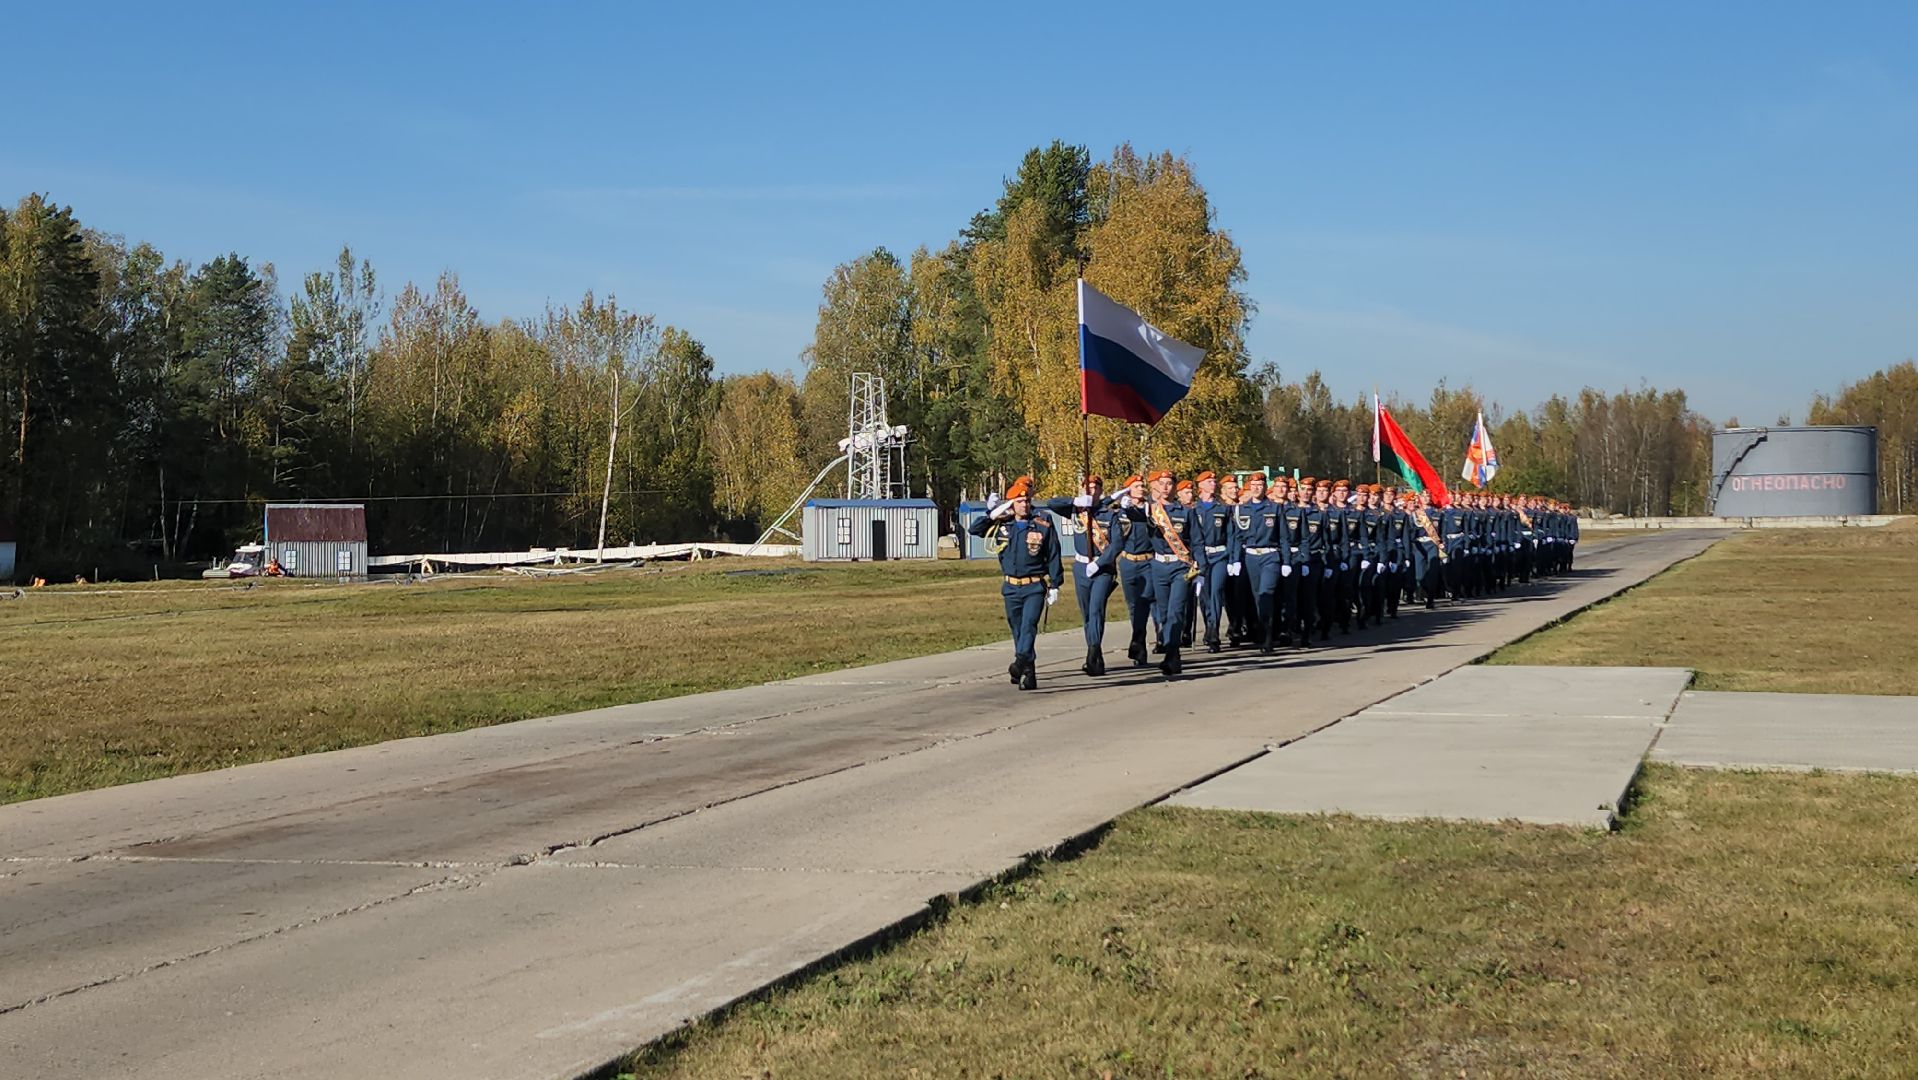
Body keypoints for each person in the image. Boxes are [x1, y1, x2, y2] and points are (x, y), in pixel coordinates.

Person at [970, 476, 1062, 691]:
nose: (1024, 504)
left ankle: (1020, 662)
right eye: (1019, 502)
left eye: (1027, 501)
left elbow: (1053, 553)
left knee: (1029, 625)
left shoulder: (1042, 523)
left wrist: (1056, 583)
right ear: (1011, 504)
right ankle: (1028, 672)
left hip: (1034, 585)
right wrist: (991, 514)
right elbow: (974, 530)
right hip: (1011, 586)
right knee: (1017, 629)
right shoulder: (1003, 523)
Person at [1116, 469, 1206, 677]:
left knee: (1175, 611)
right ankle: (1170, 649)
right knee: (1163, 613)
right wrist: (1126, 505)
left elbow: (1198, 541)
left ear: (1175, 487)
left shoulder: (1186, 512)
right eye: (1162, 483)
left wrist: (1202, 570)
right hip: (1157, 567)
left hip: (1180, 567)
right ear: (1155, 486)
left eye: (1169, 483)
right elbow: (1135, 515)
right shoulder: (1151, 511)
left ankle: (1172, 655)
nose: (1166, 487)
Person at [1043, 475, 1117, 676]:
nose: (1091, 492)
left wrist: (1100, 563)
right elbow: (1052, 503)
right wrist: (1075, 501)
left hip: (1102, 570)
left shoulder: (1109, 514)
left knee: (1096, 610)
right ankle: (1095, 652)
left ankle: (1093, 652)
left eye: (1095, 488)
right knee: (1086, 614)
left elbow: (1117, 544)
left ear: (1101, 491)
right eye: (1087, 488)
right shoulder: (1077, 510)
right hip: (1081, 567)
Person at [1231, 471, 1288, 654]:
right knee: (1257, 597)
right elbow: (1238, 537)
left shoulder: (1275, 508)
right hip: (1250, 557)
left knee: (1266, 593)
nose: (1257, 489)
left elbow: (1284, 537)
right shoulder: (1242, 509)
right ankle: (1263, 631)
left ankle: (1268, 637)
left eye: (1260, 486)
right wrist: (1235, 560)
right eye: (1253, 486)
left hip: (1270, 556)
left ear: (1265, 488)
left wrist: (1286, 561)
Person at [1109, 474, 1157, 667]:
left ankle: (1139, 643)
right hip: (1128, 562)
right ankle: (1139, 643)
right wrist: (1117, 498)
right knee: (1133, 606)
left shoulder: (1151, 508)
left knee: (1144, 603)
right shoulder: (1119, 511)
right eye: (1136, 486)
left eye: (1141, 486)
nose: (1141, 489)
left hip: (1148, 561)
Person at [1190, 471, 1233, 653]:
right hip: (1201, 557)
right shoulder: (1193, 509)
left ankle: (1214, 629)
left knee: (1216, 591)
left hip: (1220, 555)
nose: (1213, 484)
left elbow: (1231, 534)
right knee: (1204, 595)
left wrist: (1232, 558)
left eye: (1214, 481)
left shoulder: (1222, 508)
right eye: (1209, 481)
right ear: (1200, 485)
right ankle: (1209, 625)